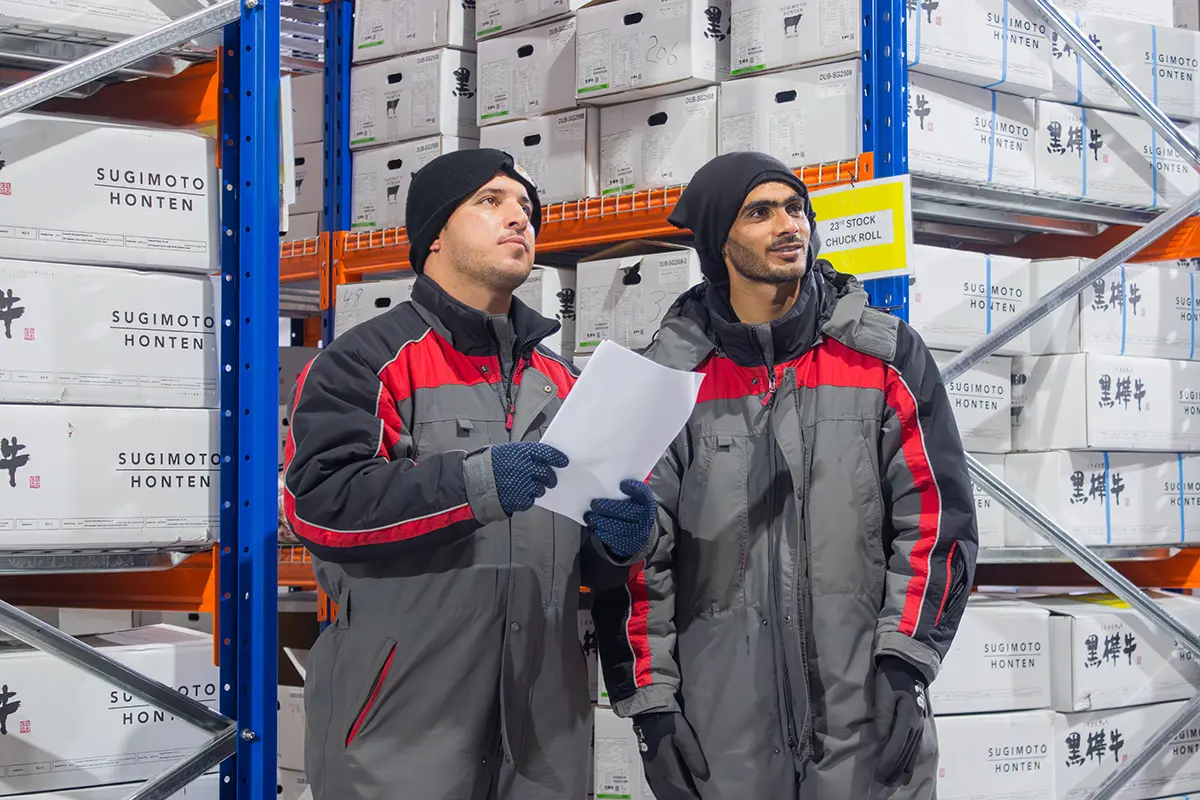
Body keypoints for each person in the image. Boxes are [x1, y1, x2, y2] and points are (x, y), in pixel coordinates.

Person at [592, 152, 979, 800]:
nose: (788, 224)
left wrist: (906, 665)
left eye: (795, 207)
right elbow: (636, 560)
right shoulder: (667, 381)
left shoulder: (881, 359)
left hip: (864, 720)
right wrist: (650, 707)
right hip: (724, 735)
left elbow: (936, 521)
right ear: (717, 242)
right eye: (760, 212)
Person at [282, 148, 658, 800]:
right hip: (399, 729)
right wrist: (473, 484)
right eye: (491, 201)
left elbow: (585, 562)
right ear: (433, 235)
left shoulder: (565, 384)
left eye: (527, 209)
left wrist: (618, 542)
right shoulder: (367, 363)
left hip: (542, 733)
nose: (519, 218)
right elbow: (319, 506)